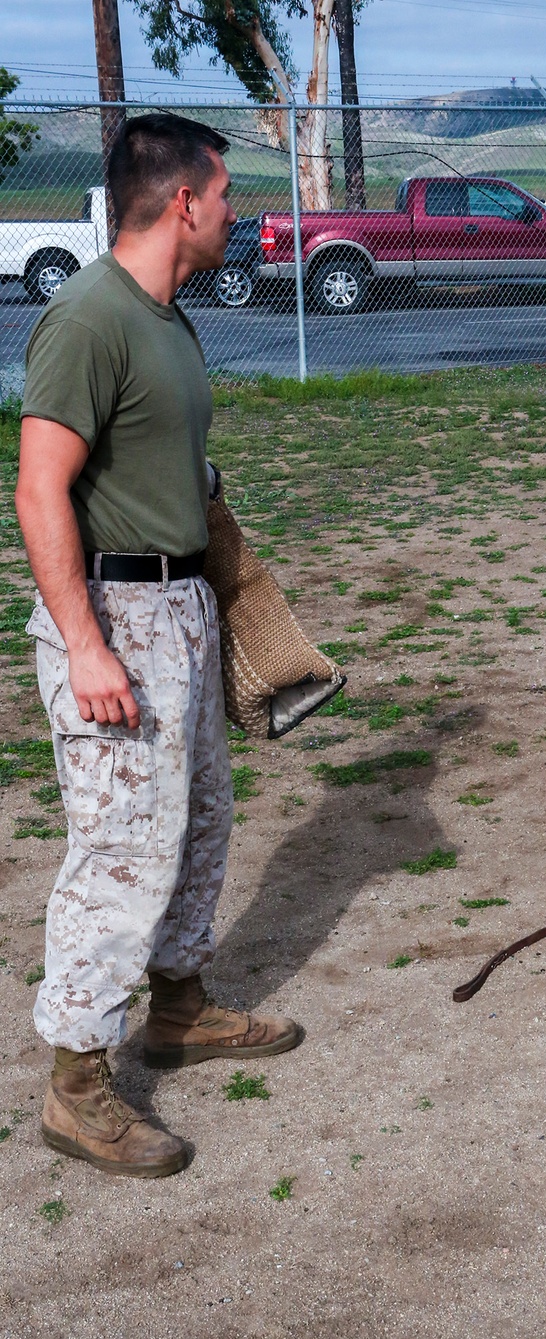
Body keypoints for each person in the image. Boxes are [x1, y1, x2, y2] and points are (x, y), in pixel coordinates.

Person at [16, 113, 303, 1179]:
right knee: (122, 848)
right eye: (226, 192)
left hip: (178, 608)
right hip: (115, 618)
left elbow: (163, 462)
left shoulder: (168, 318)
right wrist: (87, 647)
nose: (238, 211)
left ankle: (177, 1005)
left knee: (196, 823)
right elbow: (39, 487)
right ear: (182, 201)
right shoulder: (89, 318)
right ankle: (78, 1086)